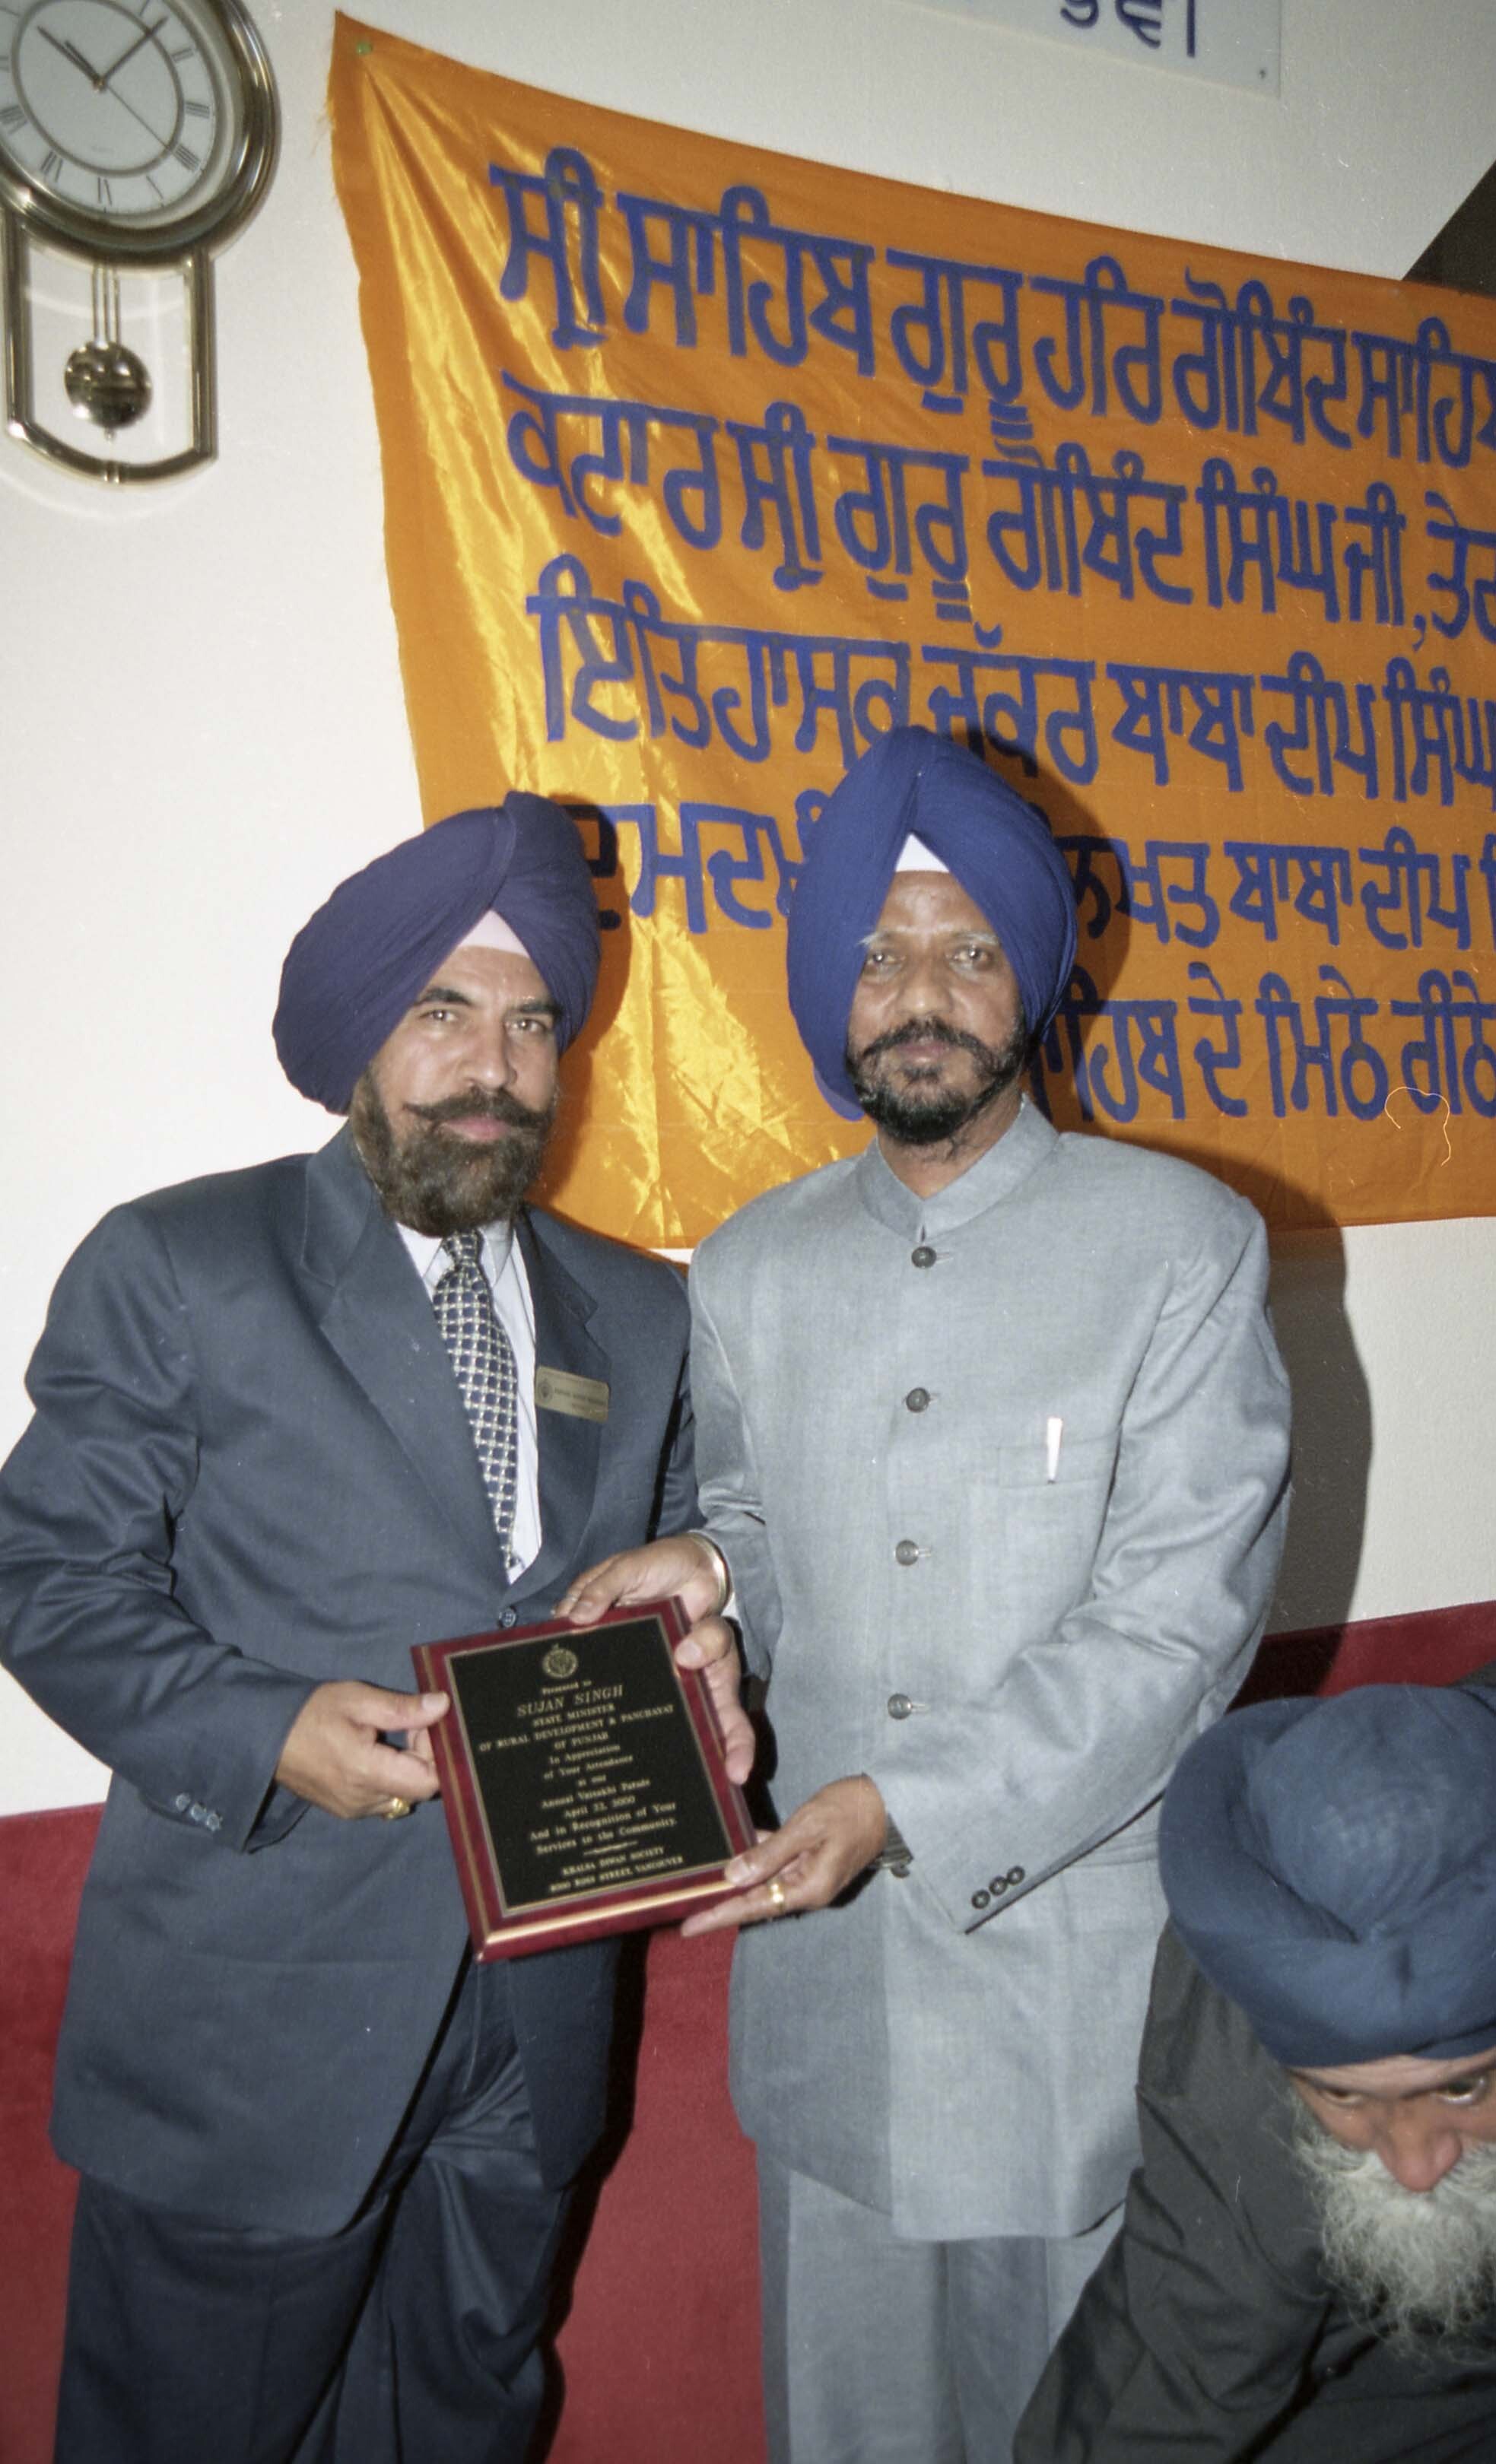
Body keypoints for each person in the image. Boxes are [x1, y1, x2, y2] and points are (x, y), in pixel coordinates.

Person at [561, 725, 1293, 2460]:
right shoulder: (750, 1264)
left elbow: (1174, 1630)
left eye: (969, 951)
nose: (921, 997)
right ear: (833, 989)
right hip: (830, 2003)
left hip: (1064, 2014)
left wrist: (902, 1803)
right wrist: (709, 1566)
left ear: (1029, 977)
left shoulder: (1179, 1244)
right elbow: (759, 1522)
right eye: (880, 956)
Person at [0, 795, 746, 2464]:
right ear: (360, 1042)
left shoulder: (643, 1309)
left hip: (535, 2022)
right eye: (442, 1011)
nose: (493, 1066)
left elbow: (706, 1544)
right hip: (254, 2030)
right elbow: (45, 1571)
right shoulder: (184, 1264)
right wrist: (265, 1729)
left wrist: (707, 1597)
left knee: (465, 2419)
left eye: (532, 1022)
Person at [1015, 1675, 1496, 2462]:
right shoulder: (1240, 2089)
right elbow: (1192, 2366)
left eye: (1460, 2086)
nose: (1415, 2166)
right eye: (1342, 2096)